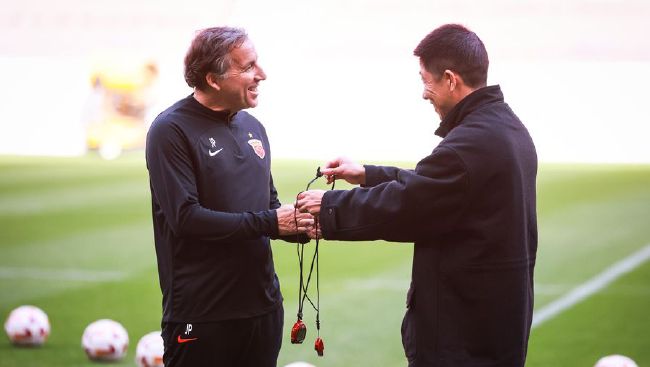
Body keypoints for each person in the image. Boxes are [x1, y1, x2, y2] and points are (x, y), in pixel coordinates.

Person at [296, 24, 537, 367]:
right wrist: (367, 174)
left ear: (451, 80)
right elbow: (441, 188)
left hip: (464, 337)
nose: (424, 93)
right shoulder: (505, 127)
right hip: (494, 325)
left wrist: (328, 207)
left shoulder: (470, 144)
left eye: (426, 81)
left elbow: (410, 205)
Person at [145, 27, 312, 367]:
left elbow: (267, 207)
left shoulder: (254, 128)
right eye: (249, 67)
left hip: (263, 310)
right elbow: (186, 218)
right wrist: (271, 220)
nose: (261, 75)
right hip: (204, 315)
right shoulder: (171, 130)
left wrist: (302, 222)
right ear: (214, 79)